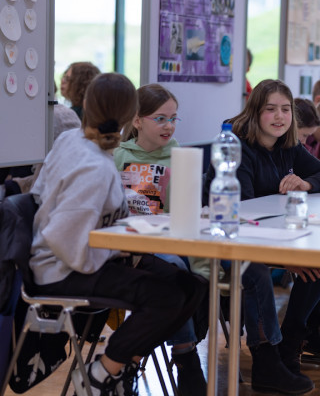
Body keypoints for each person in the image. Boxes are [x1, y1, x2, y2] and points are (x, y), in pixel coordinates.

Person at [29, 73, 206, 395]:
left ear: (87, 105)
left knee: (190, 285)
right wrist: (121, 252)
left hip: (88, 256)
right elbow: (66, 242)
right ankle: (101, 374)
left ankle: (123, 366)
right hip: (64, 268)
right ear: (131, 119)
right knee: (166, 297)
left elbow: (40, 194)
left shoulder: (76, 142)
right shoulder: (94, 166)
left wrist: (125, 248)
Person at [202, 79, 320, 395]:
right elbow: (242, 215)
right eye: (270, 109)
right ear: (255, 112)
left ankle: (299, 336)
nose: (280, 117)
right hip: (230, 242)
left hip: (271, 237)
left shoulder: (287, 145)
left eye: (285, 109)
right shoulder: (236, 146)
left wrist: (305, 183)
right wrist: (283, 256)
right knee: (256, 272)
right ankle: (266, 360)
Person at [113, 84, 207, 395]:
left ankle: (135, 358)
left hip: (170, 241)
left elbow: (188, 211)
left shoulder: (181, 157)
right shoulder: (119, 157)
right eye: (160, 118)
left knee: (185, 271)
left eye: (173, 118)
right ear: (137, 121)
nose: (169, 126)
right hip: (130, 247)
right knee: (175, 272)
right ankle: (186, 355)